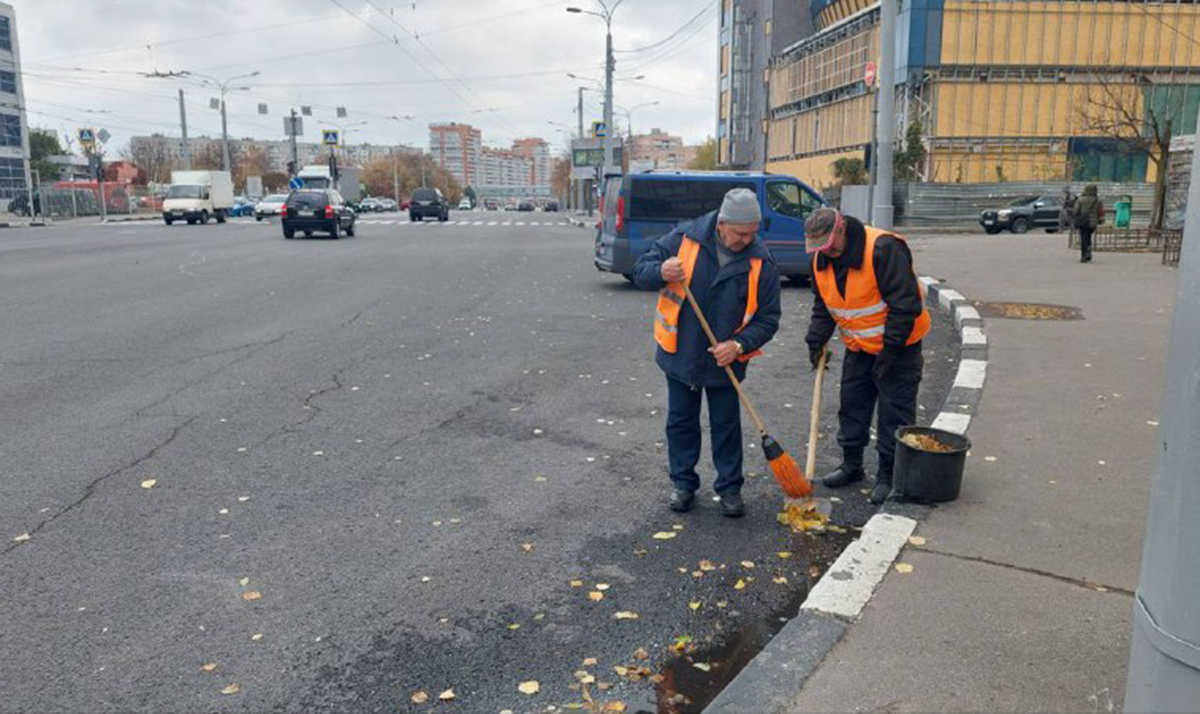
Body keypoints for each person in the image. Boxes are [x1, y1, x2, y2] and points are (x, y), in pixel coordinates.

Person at [632, 188, 782, 517]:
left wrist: (739, 345)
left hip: (725, 361)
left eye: (752, 233)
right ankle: (683, 484)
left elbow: (769, 319)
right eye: (741, 233)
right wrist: (661, 272)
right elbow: (641, 268)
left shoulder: (761, 260)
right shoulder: (684, 239)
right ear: (722, 224)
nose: (747, 240)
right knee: (681, 422)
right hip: (680, 353)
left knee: (726, 425)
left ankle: (730, 489)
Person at [804, 208, 930, 505]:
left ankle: (888, 475)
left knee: (893, 414)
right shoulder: (820, 260)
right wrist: (815, 340)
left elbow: (905, 305)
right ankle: (852, 466)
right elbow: (824, 306)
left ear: (842, 230)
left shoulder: (884, 249)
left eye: (830, 246)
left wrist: (891, 351)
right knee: (852, 407)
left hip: (899, 349)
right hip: (859, 347)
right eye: (819, 249)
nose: (827, 253)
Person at [1073, 184, 1101, 263]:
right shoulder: (1098, 200)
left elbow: (1076, 211)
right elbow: (1100, 212)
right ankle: (1088, 251)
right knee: (1088, 237)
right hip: (1092, 223)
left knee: (1083, 238)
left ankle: (1083, 255)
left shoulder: (1081, 200)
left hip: (1083, 222)